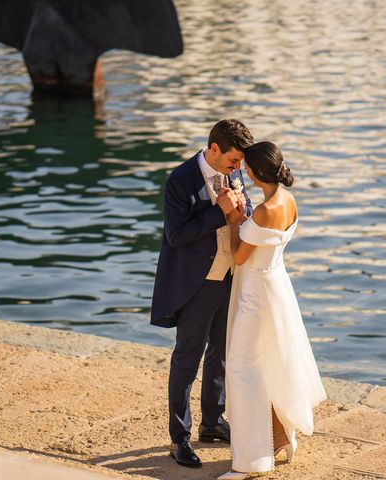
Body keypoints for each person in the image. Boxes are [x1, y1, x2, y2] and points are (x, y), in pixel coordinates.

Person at [218, 141, 327, 480]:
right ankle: (281, 437)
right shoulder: (287, 201)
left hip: (256, 294)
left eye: (246, 166)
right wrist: (245, 220)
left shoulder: (264, 211)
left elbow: (239, 255)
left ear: (256, 172)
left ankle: (250, 461)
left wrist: (232, 217)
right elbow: (265, 239)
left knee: (242, 368)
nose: (244, 171)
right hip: (276, 284)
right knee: (272, 363)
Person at [150, 119, 254, 468]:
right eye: (234, 160)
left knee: (221, 353)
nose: (238, 168)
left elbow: (246, 211)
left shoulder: (234, 174)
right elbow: (176, 236)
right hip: (196, 283)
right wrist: (218, 212)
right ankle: (179, 438)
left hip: (229, 276)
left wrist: (242, 211)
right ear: (214, 149)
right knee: (186, 359)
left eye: (240, 162)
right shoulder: (180, 181)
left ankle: (212, 423)